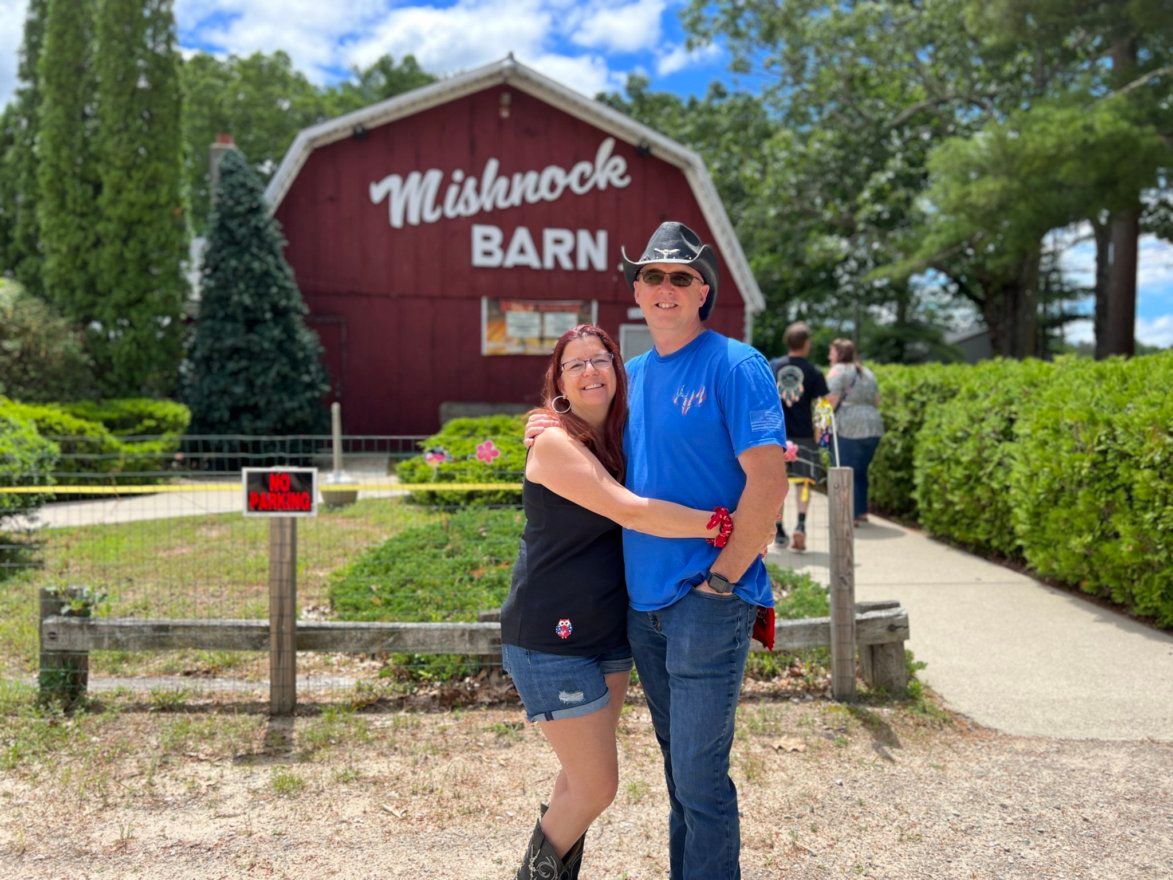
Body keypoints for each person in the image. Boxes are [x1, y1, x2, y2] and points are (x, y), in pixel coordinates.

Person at [531, 222, 788, 879]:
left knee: (700, 780)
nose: (664, 287)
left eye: (680, 276)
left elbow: (768, 482)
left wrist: (724, 582)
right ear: (636, 291)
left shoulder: (735, 365)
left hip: (707, 599)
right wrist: (548, 416)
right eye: (651, 276)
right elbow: (587, 441)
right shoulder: (629, 376)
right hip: (640, 610)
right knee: (680, 774)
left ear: (703, 290)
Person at [501, 324, 737, 880]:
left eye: (600, 360)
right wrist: (718, 527)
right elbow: (629, 509)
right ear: (557, 381)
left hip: (607, 635)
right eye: (574, 365)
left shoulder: (624, 437)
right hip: (549, 637)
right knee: (596, 786)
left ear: (617, 369)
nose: (590, 372)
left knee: (574, 782)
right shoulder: (555, 442)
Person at [769, 321, 829, 551]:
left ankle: (780, 529)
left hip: (776, 436)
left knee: (777, 484)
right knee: (803, 483)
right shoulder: (813, 371)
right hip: (804, 435)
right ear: (806, 344)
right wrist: (820, 434)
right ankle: (801, 525)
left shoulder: (773, 367)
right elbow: (824, 404)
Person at [825, 337, 884, 525]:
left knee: (843, 470)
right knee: (860, 471)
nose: (829, 356)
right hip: (873, 426)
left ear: (839, 354)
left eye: (832, 352)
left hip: (848, 427)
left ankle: (846, 515)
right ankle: (860, 511)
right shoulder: (867, 372)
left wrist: (821, 424)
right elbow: (877, 400)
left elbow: (831, 400)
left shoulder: (837, 371)